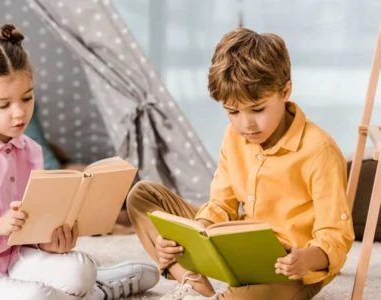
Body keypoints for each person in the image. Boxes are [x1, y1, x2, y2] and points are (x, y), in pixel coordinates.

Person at [0, 24, 159, 300]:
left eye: (27, 98)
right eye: (4, 105)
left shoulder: (30, 150)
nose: (19, 113)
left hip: (13, 258)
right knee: (35, 296)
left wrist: (48, 242)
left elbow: (30, 223)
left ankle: (92, 285)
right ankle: (98, 291)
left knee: (80, 269)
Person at [126, 27, 354, 300]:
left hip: (288, 268)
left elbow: (336, 234)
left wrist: (308, 258)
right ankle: (191, 281)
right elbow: (221, 204)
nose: (246, 124)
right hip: (240, 248)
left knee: (254, 293)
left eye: (257, 109)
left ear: (285, 91)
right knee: (142, 196)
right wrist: (188, 238)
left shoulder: (319, 151)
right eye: (232, 111)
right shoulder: (233, 136)